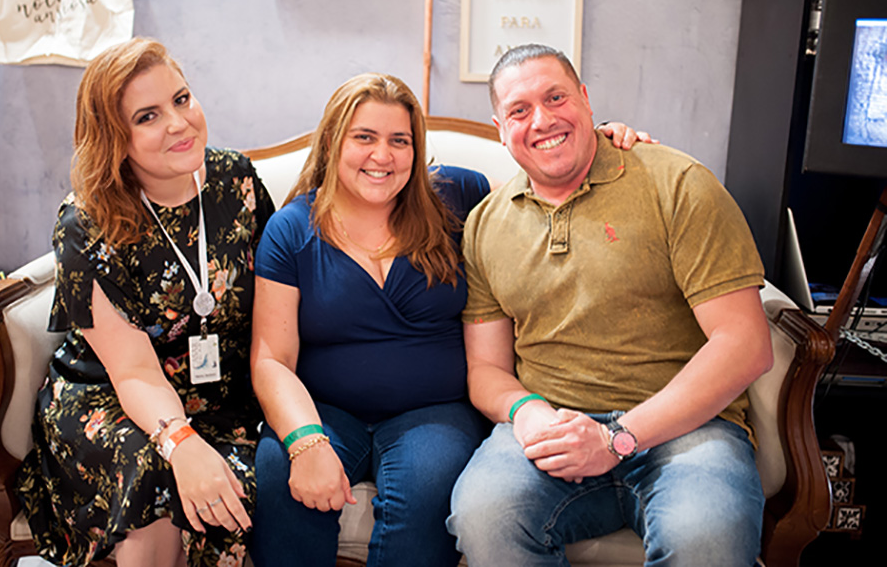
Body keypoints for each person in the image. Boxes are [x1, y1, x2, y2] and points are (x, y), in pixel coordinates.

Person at [247, 71, 646, 566]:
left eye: (399, 140)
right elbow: (272, 359)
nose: (382, 155)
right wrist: (306, 442)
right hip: (322, 408)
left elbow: (549, 186)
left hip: (435, 412)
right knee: (279, 476)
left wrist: (598, 142)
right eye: (364, 137)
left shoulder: (456, 196)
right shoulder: (290, 230)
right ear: (332, 143)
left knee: (428, 491)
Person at [446, 44, 774, 566]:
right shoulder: (486, 223)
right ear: (500, 128)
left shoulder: (677, 183)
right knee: (484, 515)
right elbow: (486, 369)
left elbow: (745, 344)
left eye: (556, 98)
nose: (542, 120)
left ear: (585, 99)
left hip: (690, 430)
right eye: (520, 110)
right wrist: (528, 413)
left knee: (706, 536)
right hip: (553, 428)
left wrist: (616, 437)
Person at [15, 38, 275, 567]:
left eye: (182, 99)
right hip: (111, 395)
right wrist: (181, 442)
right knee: (154, 472)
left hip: (220, 396)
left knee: (231, 485)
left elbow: (279, 299)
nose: (179, 123)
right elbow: (131, 370)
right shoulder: (87, 221)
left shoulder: (236, 181)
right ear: (115, 137)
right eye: (148, 116)